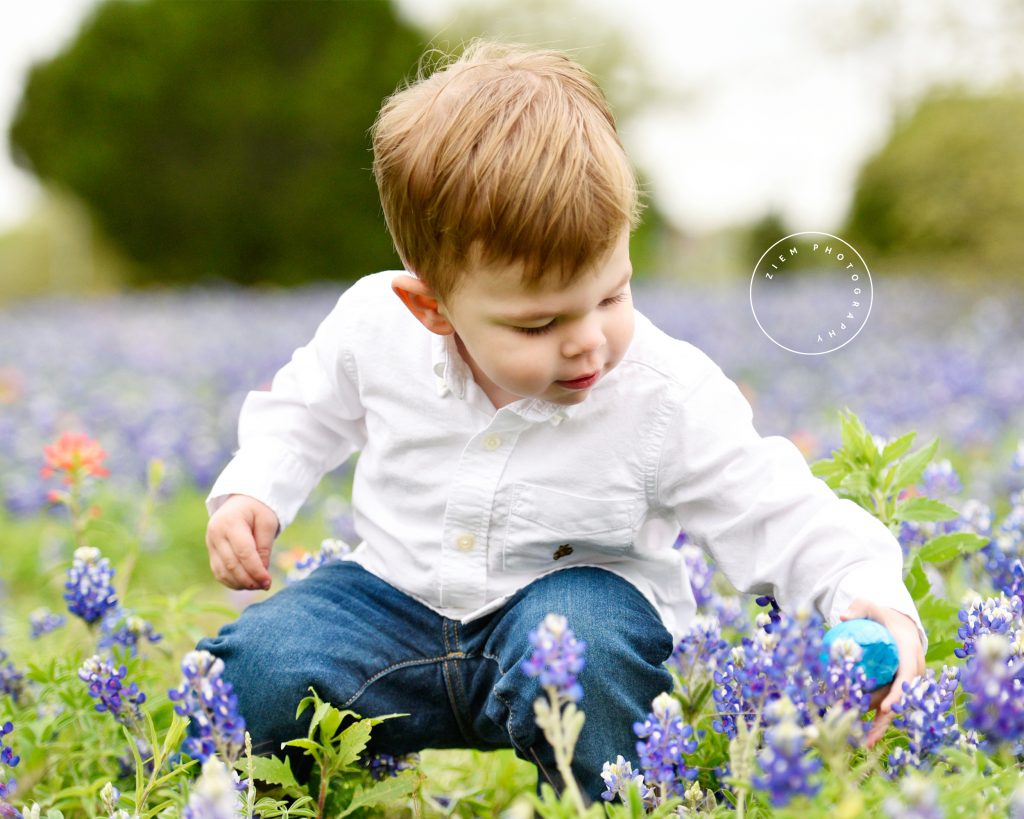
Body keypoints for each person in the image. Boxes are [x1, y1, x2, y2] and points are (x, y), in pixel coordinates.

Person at [199, 40, 926, 801]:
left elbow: (772, 505)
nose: (587, 340)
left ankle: (623, 800)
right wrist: (253, 489)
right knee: (257, 668)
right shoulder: (373, 325)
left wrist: (859, 584)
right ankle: (255, 797)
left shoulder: (665, 390)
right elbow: (303, 407)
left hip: (570, 608)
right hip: (393, 605)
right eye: (539, 323)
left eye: (611, 295)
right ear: (432, 307)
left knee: (592, 646)